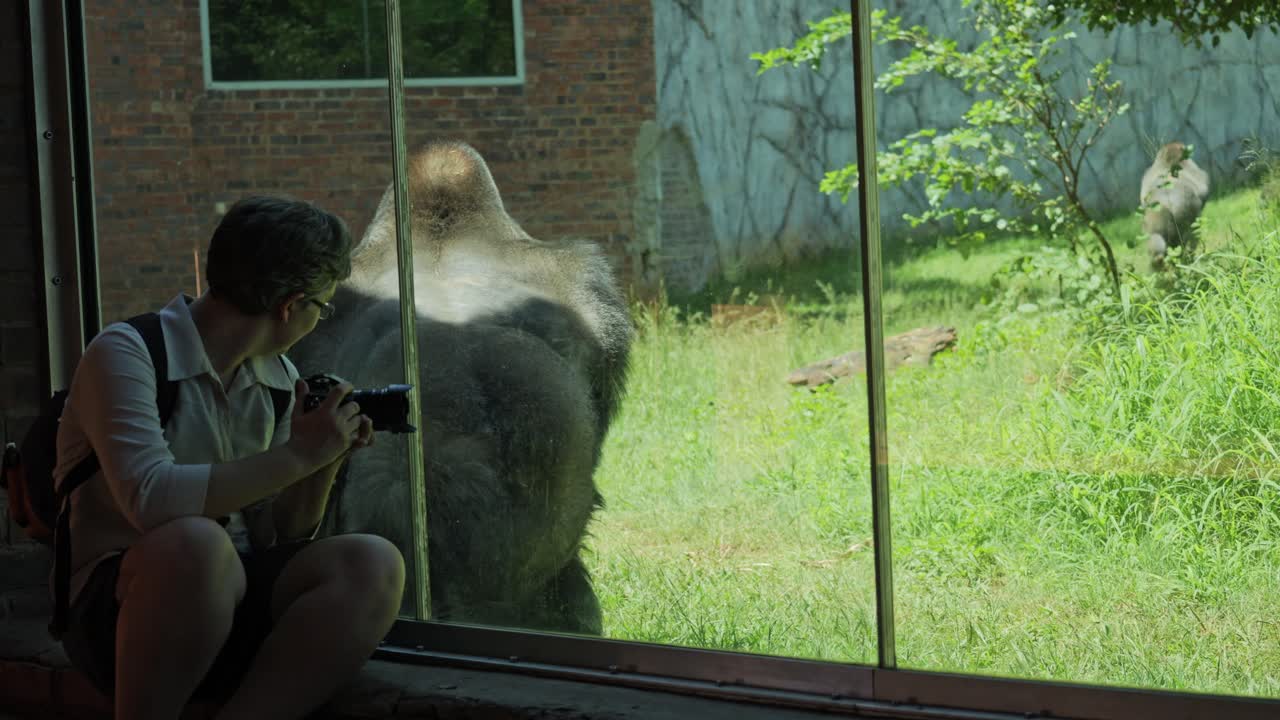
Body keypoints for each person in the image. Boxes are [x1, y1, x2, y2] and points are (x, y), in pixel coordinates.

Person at [52, 195, 406, 720]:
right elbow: (150, 500)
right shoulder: (127, 353)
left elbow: (277, 537)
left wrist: (321, 461)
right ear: (291, 304)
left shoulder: (279, 380)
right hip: (120, 617)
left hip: (232, 601)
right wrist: (296, 454)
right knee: (199, 545)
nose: (318, 322)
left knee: (373, 562)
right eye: (322, 307)